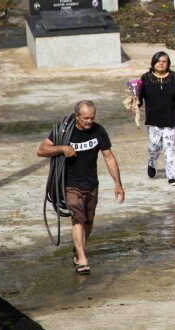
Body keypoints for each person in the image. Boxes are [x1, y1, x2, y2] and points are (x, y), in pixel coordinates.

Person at [37, 100, 124, 275]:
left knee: (88, 220)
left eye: (92, 118)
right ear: (77, 116)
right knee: (78, 218)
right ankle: (83, 259)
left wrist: (118, 184)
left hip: (91, 184)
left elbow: (109, 157)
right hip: (69, 184)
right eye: (85, 118)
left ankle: (78, 250)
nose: (89, 121)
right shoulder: (62, 131)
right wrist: (63, 148)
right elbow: (41, 150)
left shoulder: (99, 131)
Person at [137, 51, 175, 186]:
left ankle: (171, 176)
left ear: (168, 64)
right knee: (154, 146)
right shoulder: (146, 78)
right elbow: (139, 98)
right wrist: (135, 104)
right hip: (153, 120)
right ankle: (152, 162)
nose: (161, 63)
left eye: (164, 61)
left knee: (170, 148)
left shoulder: (173, 77)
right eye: (158, 61)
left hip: (170, 119)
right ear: (153, 63)